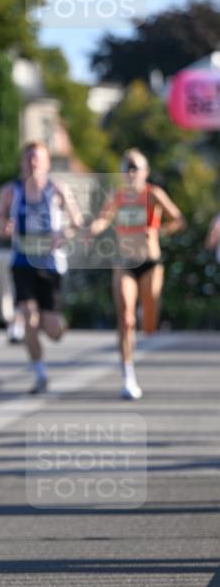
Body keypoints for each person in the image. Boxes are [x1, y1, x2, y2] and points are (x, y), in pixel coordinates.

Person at [88, 148, 186, 399]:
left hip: (151, 263)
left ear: (145, 172)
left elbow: (178, 219)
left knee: (149, 324)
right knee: (126, 319)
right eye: (126, 168)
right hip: (125, 263)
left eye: (136, 168)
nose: (131, 173)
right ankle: (128, 376)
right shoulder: (117, 195)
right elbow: (103, 218)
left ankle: (147, 313)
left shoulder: (153, 194)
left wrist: (160, 230)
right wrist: (93, 229)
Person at [0, 141, 83, 393]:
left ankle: (49, 322)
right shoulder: (10, 191)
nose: (33, 163)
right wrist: (2, 229)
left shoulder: (58, 189)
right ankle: (40, 373)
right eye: (29, 158)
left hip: (51, 265)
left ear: (47, 162)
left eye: (37, 159)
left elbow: (77, 222)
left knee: (53, 331)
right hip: (22, 261)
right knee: (29, 317)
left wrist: (63, 235)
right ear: (22, 162)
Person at [0, 183, 24, 343]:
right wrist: (3, 231)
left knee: (20, 289)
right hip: (2, 250)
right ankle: (12, 323)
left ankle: (18, 325)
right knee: (4, 290)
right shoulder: (5, 193)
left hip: (22, 252)